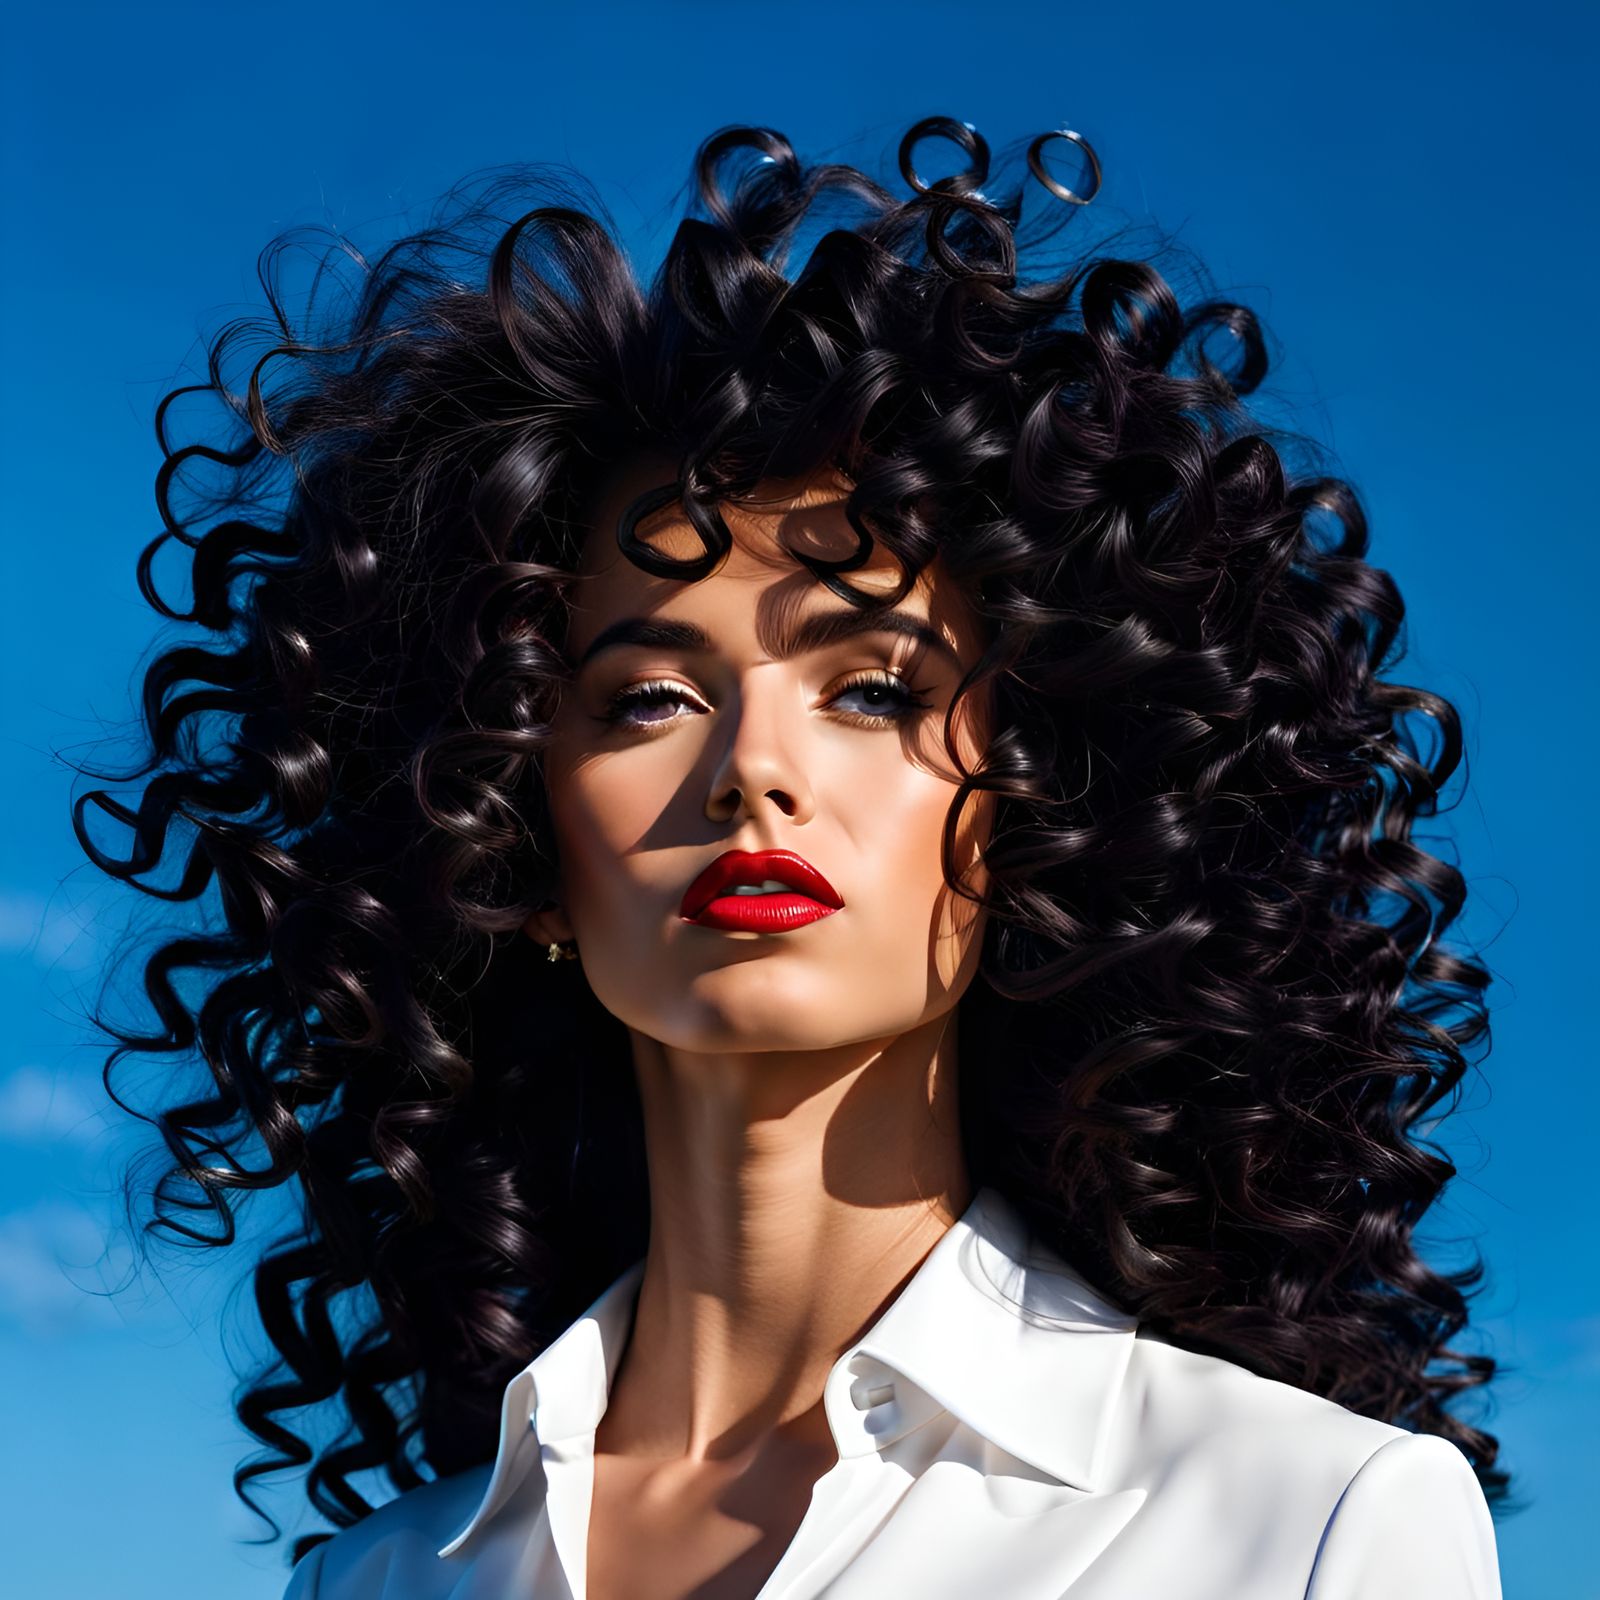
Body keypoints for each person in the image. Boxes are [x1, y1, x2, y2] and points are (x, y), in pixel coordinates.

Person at [71, 115, 1506, 1598]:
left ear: (1040, 805)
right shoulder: (384, 1579)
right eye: (649, 698)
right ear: (509, 828)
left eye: (874, 688)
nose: (753, 767)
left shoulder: (1310, 1521)